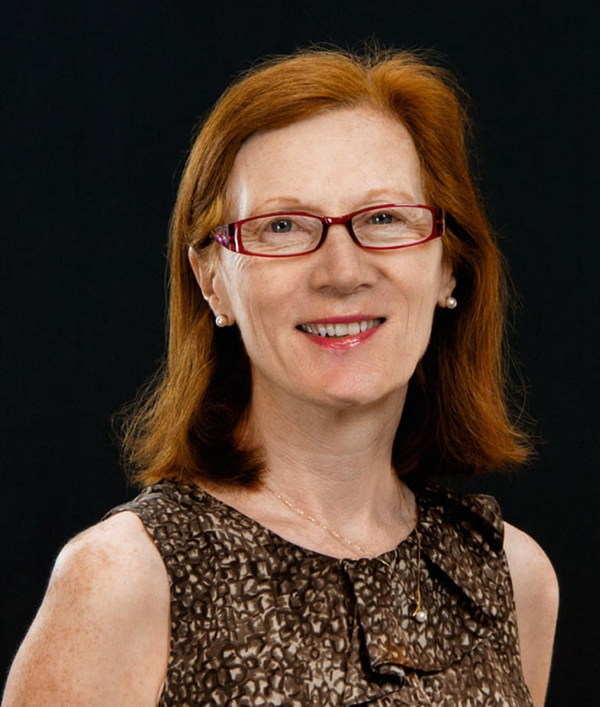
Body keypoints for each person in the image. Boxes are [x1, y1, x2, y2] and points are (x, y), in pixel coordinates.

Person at [3, 48, 558, 706]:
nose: (342, 272)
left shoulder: (511, 579)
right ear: (213, 282)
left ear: (448, 267)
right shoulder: (124, 579)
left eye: (384, 218)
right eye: (283, 226)